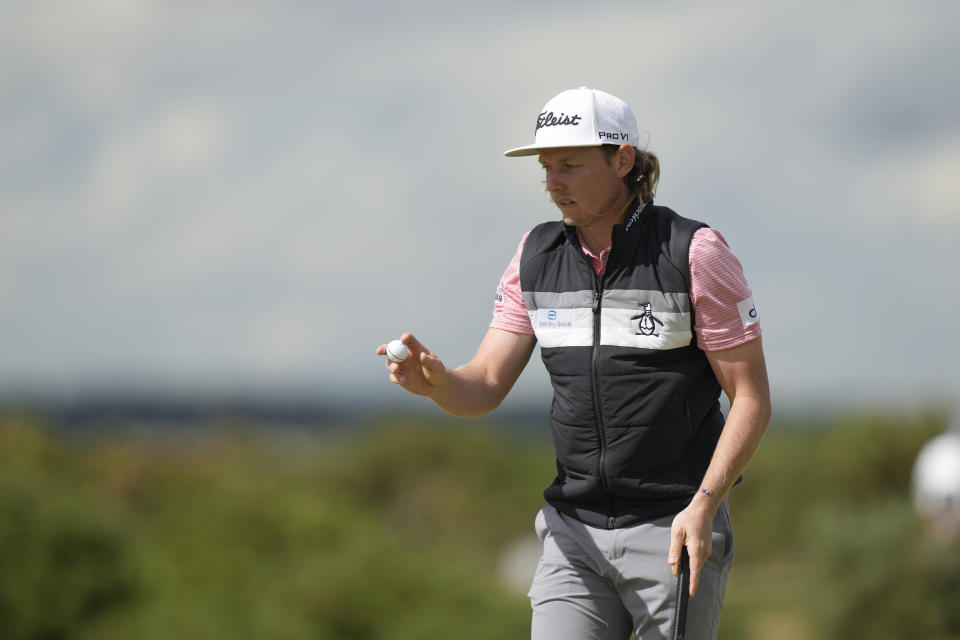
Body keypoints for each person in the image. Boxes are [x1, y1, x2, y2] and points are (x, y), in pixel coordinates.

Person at [376, 87, 771, 640]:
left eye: (569, 165)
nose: (553, 182)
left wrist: (705, 505)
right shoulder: (535, 256)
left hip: (675, 528)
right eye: (546, 168)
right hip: (572, 533)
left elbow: (751, 398)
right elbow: (485, 384)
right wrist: (438, 384)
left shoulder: (694, 252)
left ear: (623, 161)